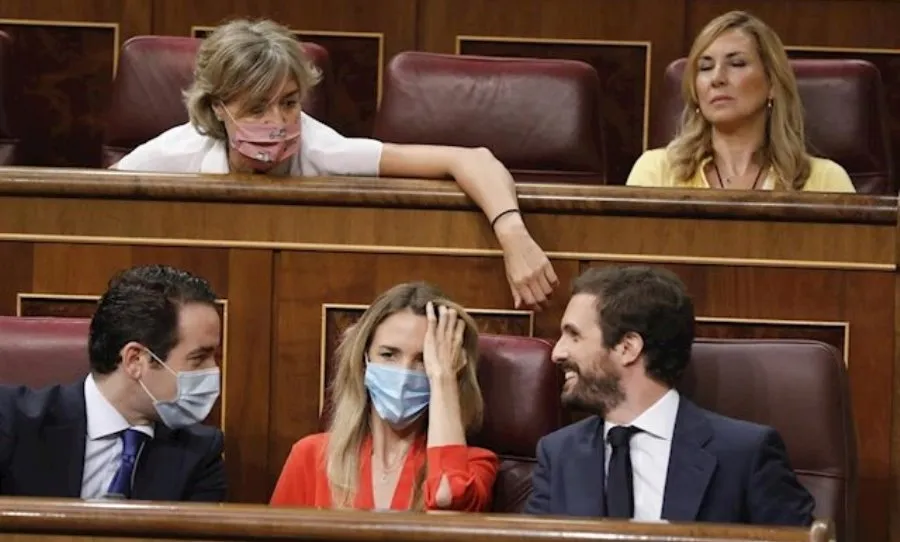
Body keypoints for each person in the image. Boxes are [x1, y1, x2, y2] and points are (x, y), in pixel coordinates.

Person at [110, 18, 557, 310]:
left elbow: (473, 160)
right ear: (218, 109)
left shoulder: (324, 149)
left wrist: (513, 233)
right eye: (256, 109)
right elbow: (86, 202)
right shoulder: (175, 153)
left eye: (288, 103)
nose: (278, 123)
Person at [524, 265, 814, 525]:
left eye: (573, 335)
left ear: (627, 348)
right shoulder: (559, 453)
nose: (557, 353)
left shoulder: (745, 454)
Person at [0, 264, 226, 501]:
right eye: (199, 358)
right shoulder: (11, 423)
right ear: (135, 360)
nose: (213, 371)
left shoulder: (200, 454)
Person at [270, 282, 497, 511]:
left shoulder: (474, 464)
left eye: (423, 359)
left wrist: (442, 378)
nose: (404, 374)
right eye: (389, 355)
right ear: (363, 360)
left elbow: (447, 497)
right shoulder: (310, 455)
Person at [626, 11, 855, 193]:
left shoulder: (826, 180)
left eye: (737, 64)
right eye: (705, 67)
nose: (717, 79)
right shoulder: (656, 173)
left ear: (772, 84)